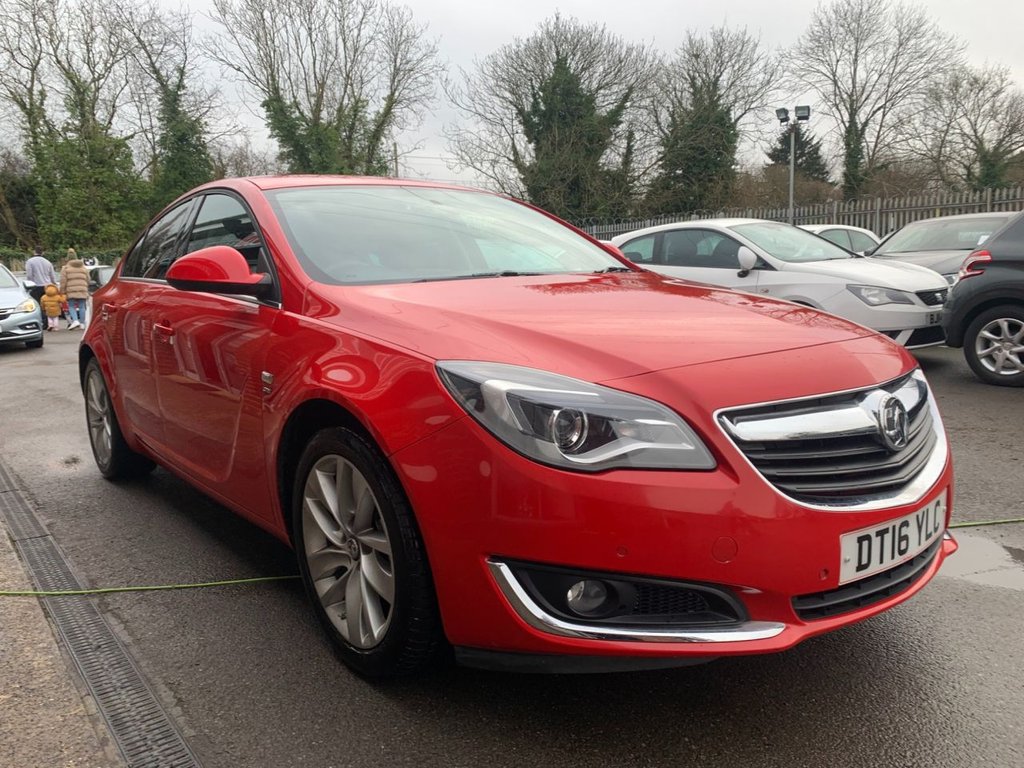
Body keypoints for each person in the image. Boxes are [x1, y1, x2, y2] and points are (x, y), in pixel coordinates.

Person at [24, 246, 57, 331]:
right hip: (47, 286)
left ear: (34, 252)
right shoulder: (48, 262)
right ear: (43, 252)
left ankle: (42, 322)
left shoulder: (30, 261)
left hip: (36, 286)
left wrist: (29, 282)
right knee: (47, 305)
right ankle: (49, 322)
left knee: (38, 305)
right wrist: (54, 284)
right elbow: (52, 276)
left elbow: (29, 275)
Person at [59, 255, 90, 330]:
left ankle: (75, 320)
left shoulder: (65, 268)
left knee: (71, 306)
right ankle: (82, 323)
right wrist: (85, 287)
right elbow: (88, 279)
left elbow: (63, 281)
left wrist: (62, 291)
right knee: (82, 306)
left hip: (71, 290)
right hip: (82, 289)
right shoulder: (83, 268)